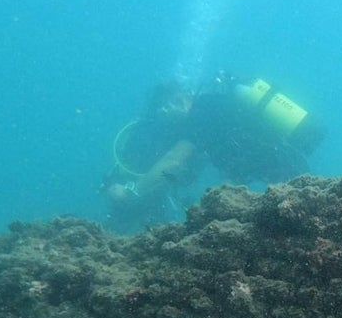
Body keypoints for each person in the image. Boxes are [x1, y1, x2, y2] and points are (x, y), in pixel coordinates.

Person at [103, 72, 323, 228]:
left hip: (283, 167)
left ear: (183, 97)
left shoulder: (200, 115)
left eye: (170, 103)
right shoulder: (212, 108)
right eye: (163, 108)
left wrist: (132, 192)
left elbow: (174, 160)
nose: (168, 110)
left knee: (306, 219)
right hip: (283, 164)